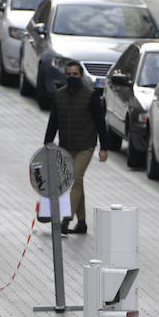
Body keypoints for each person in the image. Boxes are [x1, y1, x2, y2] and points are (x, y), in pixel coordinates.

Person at [43, 60, 109, 235]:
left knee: (76, 179)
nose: (72, 77)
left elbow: (100, 122)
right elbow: (53, 122)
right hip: (66, 146)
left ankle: (66, 218)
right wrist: (48, 143)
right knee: (77, 183)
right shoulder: (59, 95)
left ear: (81, 75)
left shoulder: (91, 96)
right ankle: (82, 222)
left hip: (85, 146)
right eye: (69, 74)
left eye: (75, 74)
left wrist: (104, 147)